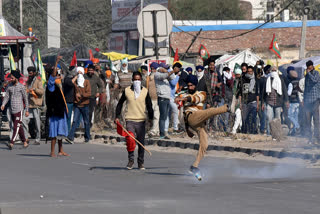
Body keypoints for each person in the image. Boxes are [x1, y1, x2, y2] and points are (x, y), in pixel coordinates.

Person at [175, 75, 228, 176]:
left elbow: (195, 99)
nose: (190, 87)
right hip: (191, 117)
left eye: (192, 85)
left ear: (195, 85)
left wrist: (184, 99)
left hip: (199, 121)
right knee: (210, 111)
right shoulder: (183, 95)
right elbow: (183, 110)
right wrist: (187, 129)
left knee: (204, 144)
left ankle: (194, 166)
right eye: (189, 85)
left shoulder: (201, 93)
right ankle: (225, 108)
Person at [115, 71, 154, 170]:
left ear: (141, 80)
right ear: (132, 80)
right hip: (130, 120)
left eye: (138, 79)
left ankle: (140, 162)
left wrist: (151, 118)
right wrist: (117, 116)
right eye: (135, 79)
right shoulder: (127, 90)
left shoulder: (145, 91)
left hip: (141, 120)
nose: (137, 81)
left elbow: (149, 105)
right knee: (130, 140)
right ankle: (131, 160)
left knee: (141, 142)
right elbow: (120, 103)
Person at [46, 56, 69, 157]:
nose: (58, 75)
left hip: (61, 111)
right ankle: (52, 151)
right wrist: (56, 62)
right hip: (54, 111)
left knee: (60, 132)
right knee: (54, 133)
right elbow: (53, 75)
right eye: (57, 73)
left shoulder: (59, 84)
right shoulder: (51, 84)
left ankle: (61, 150)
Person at [1, 70, 29, 150]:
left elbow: (25, 99)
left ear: (16, 78)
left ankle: (12, 142)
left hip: (19, 110)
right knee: (18, 127)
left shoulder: (21, 87)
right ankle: (25, 142)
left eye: (12, 78)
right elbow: (6, 97)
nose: (11, 79)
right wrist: (3, 104)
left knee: (16, 126)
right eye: (11, 78)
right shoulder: (9, 86)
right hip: (11, 109)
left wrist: (27, 110)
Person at [155, 61, 180, 139]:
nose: (166, 69)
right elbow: (163, 76)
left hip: (167, 97)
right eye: (164, 68)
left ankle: (164, 132)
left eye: (166, 68)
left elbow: (172, 78)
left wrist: (170, 72)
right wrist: (170, 71)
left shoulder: (166, 74)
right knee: (162, 116)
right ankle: (162, 133)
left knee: (166, 116)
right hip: (162, 97)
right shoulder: (157, 74)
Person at [66, 67, 91, 144]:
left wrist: (81, 95)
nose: (79, 75)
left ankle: (87, 137)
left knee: (86, 122)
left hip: (85, 105)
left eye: (80, 73)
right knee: (74, 121)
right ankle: (70, 137)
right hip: (77, 105)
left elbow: (89, 93)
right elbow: (70, 84)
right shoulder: (75, 82)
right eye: (78, 73)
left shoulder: (86, 82)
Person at [262, 66, 289, 135]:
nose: (273, 72)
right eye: (272, 70)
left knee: (277, 119)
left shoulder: (280, 80)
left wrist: (286, 101)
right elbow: (263, 92)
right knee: (269, 118)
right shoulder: (267, 80)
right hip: (269, 101)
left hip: (278, 102)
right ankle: (269, 133)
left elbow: (284, 90)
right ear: (270, 71)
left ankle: (277, 133)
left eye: (275, 70)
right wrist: (262, 102)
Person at [22, 66, 44, 145]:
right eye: (29, 73)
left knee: (37, 123)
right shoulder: (28, 81)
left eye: (31, 73)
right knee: (24, 120)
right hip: (28, 105)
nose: (29, 74)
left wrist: (34, 89)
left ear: (34, 73)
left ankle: (38, 139)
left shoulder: (38, 81)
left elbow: (41, 92)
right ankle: (26, 138)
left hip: (36, 105)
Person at [238, 65, 259, 134]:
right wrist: (240, 103)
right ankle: (244, 132)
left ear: (253, 71)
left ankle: (253, 132)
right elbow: (240, 93)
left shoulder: (255, 80)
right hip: (245, 102)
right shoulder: (243, 79)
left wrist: (258, 104)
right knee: (244, 119)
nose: (250, 73)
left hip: (253, 102)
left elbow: (257, 93)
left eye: (251, 71)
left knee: (253, 118)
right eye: (248, 71)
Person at [303, 60, 320, 144]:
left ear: (312, 66)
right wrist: (303, 99)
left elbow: (315, 80)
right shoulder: (307, 76)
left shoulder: (316, 73)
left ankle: (317, 138)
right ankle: (309, 138)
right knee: (307, 119)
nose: (309, 68)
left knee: (316, 119)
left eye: (310, 66)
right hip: (307, 100)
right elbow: (306, 87)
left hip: (315, 99)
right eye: (308, 66)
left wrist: (308, 73)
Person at [286, 66, 301, 136]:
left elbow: (289, 93)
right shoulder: (299, 81)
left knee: (290, 115)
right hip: (298, 102)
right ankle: (295, 132)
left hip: (292, 102)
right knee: (296, 117)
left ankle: (297, 126)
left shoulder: (291, 83)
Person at [147, 62, 160, 138]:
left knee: (156, 115)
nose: (153, 70)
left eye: (154, 68)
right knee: (152, 116)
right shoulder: (149, 77)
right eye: (151, 68)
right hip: (150, 99)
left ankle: (154, 131)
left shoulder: (158, 77)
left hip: (157, 99)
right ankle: (156, 130)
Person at [63, 66, 77, 133]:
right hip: (67, 101)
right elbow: (71, 83)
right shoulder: (67, 79)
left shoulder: (73, 79)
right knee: (67, 117)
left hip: (73, 101)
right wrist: (76, 76)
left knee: (71, 117)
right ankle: (66, 132)